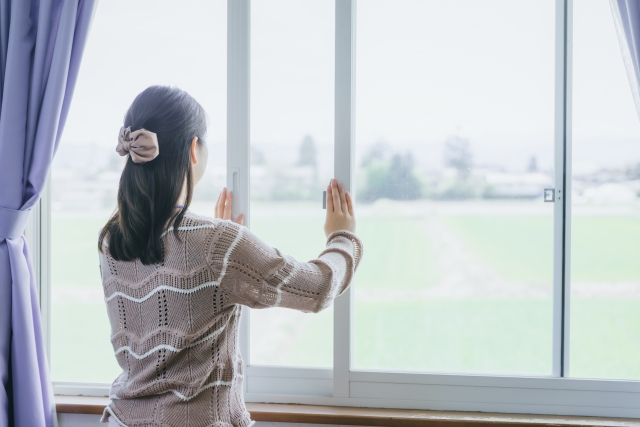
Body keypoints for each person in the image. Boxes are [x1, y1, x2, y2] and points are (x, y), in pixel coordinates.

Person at [97, 86, 363, 427]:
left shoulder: (111, 241)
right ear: (194, 149)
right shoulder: (216, 243)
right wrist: (343, 236)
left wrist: (222, 246)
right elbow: (318, 288)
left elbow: (169, 301)